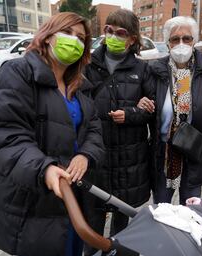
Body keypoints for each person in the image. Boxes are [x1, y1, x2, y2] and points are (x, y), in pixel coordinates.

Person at [0, 12, 103, 256]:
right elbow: (8, 138)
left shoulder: (80, 84)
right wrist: (45, 169)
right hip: (33, 206)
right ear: (47, 35)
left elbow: (95, 130)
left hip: (73, 203)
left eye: (80, 38)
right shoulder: (18, 73)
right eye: (67, 33)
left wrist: (86, 155)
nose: (73, 42)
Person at [138, 16, 202, 205]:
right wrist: (141, 103)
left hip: (195, 151)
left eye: (186, 38)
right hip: (163, 152)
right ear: (168, 43)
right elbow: (143, 101)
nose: (181, 43)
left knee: (190, 209)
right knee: (162, 208)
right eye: (175, 39)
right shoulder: (154, 70)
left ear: (194, 40)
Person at [83, 9, 154, 239]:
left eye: (120, 32)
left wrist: (132, 113)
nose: (112, 36)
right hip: (97, 158)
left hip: (128, 162)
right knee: (92, 226)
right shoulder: (87, 65)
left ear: (132, 38)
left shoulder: (143, 69)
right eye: (108, 30)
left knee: (121, 231)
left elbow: (151, 110)